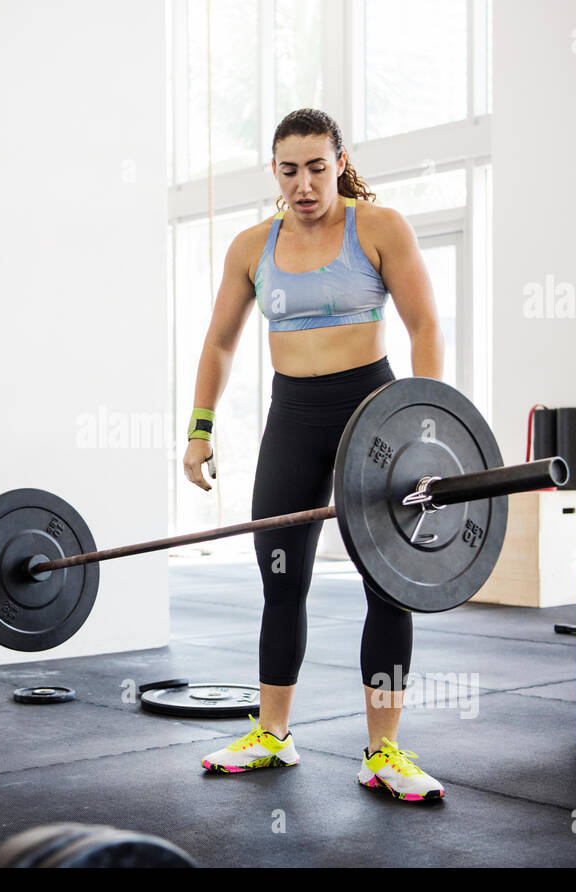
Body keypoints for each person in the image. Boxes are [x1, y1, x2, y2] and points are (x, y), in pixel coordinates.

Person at [184, 108, 447, 801]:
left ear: (339, 162)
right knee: (281, 576)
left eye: (317, 167)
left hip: (375, 416)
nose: (304, 183)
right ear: (275, 172)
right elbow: (219, 343)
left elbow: (423, 326)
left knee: (387, 581)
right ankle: (273, 734)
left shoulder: (380, 227)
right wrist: (200, 427)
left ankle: (384, 749)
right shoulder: (251, 246)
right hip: (293, 418)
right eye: (290, 169)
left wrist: (427, 427)